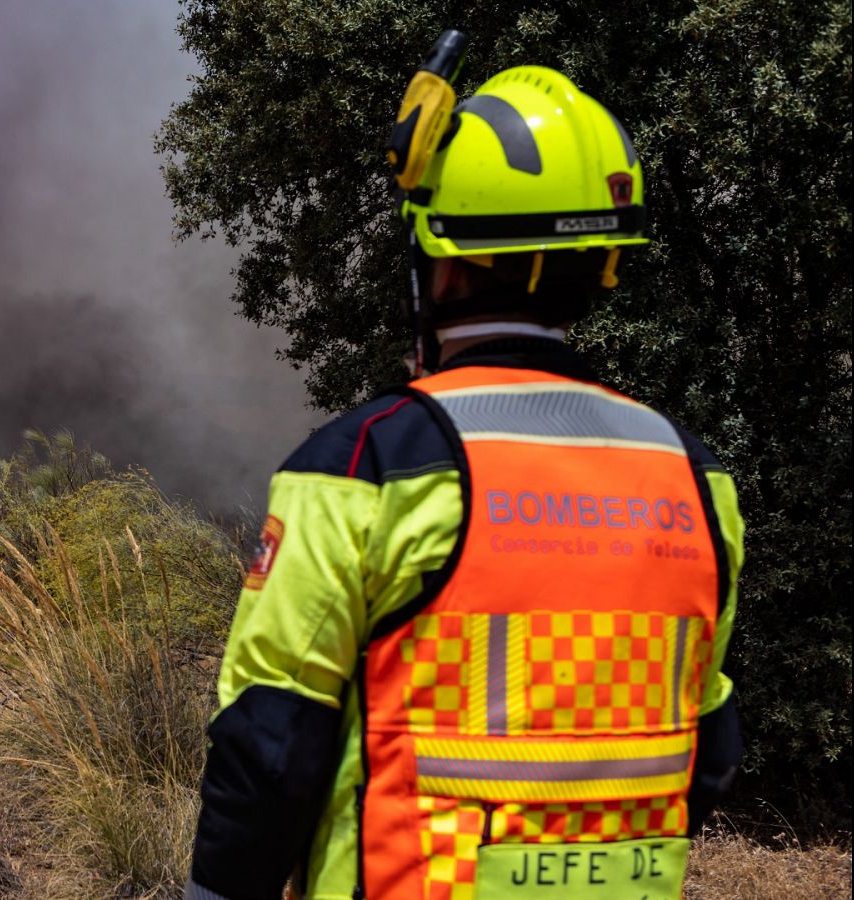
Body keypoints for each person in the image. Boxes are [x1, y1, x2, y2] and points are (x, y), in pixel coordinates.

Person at [186, 59, 744, 900]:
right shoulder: (695, 482)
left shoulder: (365, 464)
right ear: (601, 264)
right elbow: (711, 751)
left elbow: (269, 748)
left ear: (440, 265)